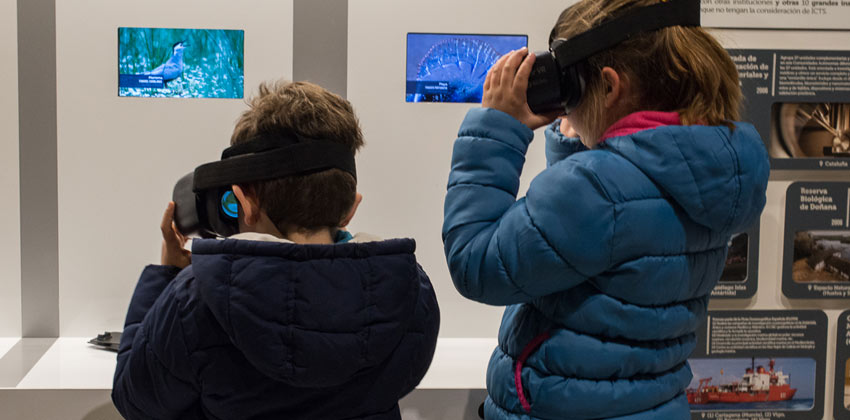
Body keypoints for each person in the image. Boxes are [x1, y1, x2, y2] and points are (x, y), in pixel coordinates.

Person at [441, 0, 770, 418]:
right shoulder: (715, 170)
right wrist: (578, 141)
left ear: (610, 87)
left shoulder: (595, 188)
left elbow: (475, 263)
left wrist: (495, 128)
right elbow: (596, 244)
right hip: (652, 404)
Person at [112, 80, 440, 420]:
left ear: (243, 204)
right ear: (350, 209)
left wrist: (166, 275)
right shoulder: (410, 292)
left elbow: (135, 399)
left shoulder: (196, 299)